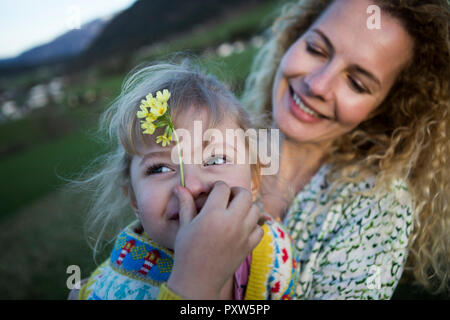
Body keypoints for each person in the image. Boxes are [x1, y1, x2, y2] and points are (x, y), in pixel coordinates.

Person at [162, 0, 449, 299]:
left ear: (384, 107)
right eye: (316, 49)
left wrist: (192, 287)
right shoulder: (214, 142)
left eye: (356, 83)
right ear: (294, 37)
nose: (317, 85)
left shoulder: (378, 207)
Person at [72, 61, 299, 300]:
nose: (190, 186)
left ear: (254, 180)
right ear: (134, 199)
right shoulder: (110, 292)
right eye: (159, 168)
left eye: (215, 159)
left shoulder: (274, 251)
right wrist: (194, 284)